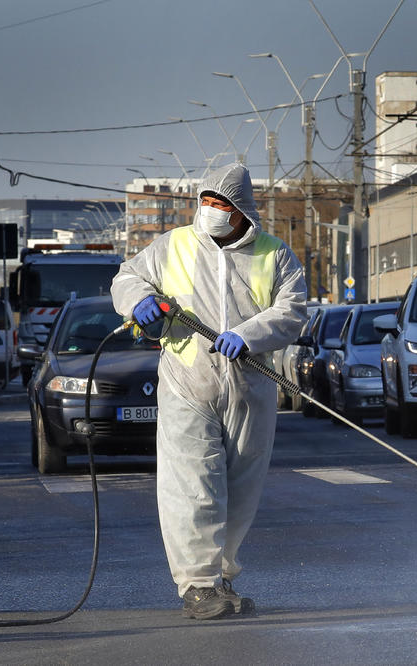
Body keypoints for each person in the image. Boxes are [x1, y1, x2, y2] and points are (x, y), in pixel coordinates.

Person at [111, 163, 307, 620]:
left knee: (241, 488)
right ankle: (197, 584)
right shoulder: (172, 245)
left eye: (221, 204)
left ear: (241, 210)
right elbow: (127, 277)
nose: (212, 211)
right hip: (187, 378)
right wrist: (139, 300)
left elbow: (294, 310)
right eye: (206, 202)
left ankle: (221, 577)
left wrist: (250, 334)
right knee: (193, 485)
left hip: (250, 382)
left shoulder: (274, 255)